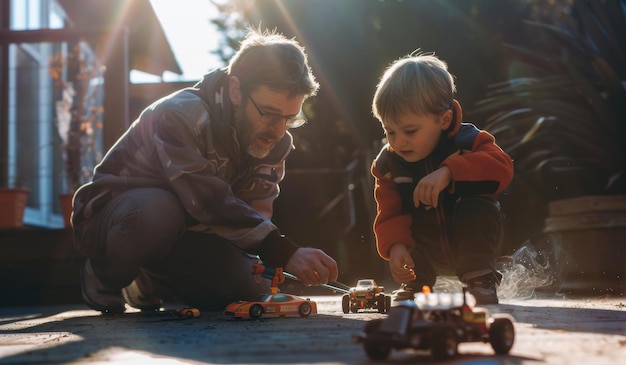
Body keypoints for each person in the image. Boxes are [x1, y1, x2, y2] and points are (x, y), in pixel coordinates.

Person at [72, 28, 338, 314]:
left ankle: (147, 281)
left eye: (289, 118)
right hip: (115, 220)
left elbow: (254, 215)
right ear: (236, 91)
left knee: (252, 289)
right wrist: (285, 252)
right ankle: (104, 275)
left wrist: (257, 267)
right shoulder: (180, 115)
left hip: (185, 233)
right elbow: (207, 200)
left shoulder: (275, 141)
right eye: (271, 115)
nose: (279, 130)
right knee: (158, 214)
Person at [370, 52, 513, 304]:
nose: (398, 141)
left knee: (479, 207)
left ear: (444, 119)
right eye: (389, 131)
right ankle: (416, 280)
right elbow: (389, 213)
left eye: (410, 131)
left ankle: (480, 279)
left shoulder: (468, 142)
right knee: (403, 222)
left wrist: (449, 172)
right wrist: (396, 247)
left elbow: (502, 168)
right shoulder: (389, 164)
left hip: (471, 242)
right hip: (426, 246)